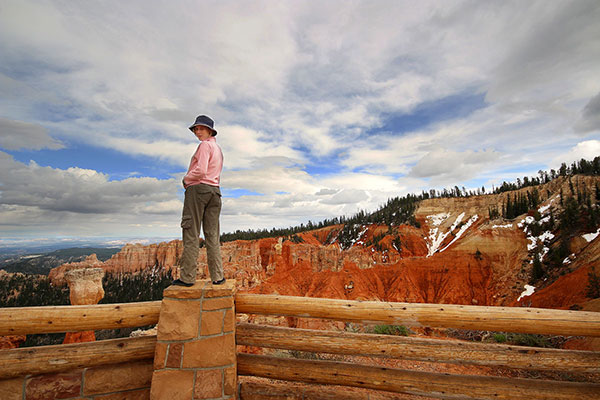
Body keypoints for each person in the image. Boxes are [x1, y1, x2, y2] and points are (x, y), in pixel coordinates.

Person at [172, 115, 225, 286]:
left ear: (210, 130)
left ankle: (187, 278)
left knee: (191, 232)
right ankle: (218, 277)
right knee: (212, 235)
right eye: (196, 129)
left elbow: (201, 171)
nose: (197, 131)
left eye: (201, 128)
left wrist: (186, 179)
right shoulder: (218, 149)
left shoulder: (204, 146)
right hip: (215, 192)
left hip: (198, 190)